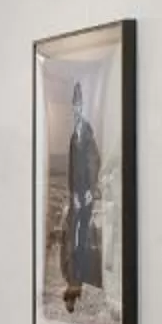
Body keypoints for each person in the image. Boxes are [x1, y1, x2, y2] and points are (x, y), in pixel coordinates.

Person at [63, 82, 101, 294]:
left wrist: (89, 190)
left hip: (85, 194)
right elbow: (71, 167)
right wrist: (72, 193)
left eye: (79, 104)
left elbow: (93, 161)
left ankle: (80, 275)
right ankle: (75, 275)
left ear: (83, 106)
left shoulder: (86, 131)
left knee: (83, 233)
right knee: (74, 233)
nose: (76, 108)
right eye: (73, 105)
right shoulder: (73, 135)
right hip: (75, 194)